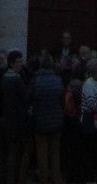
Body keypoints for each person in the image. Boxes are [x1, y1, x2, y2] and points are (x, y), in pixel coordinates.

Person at [29, 52, 65, 184]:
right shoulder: (58, 80)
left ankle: (43, 179)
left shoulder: (35, 80)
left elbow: (28, 98)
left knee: (42, 153)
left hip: (40, 121)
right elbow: (62, 100)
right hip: (56, 121)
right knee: (55, 153)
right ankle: (56, 179)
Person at [0, 51, 29, 184]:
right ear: (12, 63)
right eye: (18, 61)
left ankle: (5, 177)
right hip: (16, 121)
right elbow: (24, 98)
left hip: (6, 119)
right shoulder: (16, 79)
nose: (21, 64)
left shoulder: (4, 77)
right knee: (14, 153)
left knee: (7, 152)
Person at [81, 58, 97, 184]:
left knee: (93, 150)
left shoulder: (96, 83)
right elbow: (91, 104)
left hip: (94, 120)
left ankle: (92, 177)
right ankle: (89, 178)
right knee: (89, 151)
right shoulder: (89, 84)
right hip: (89, 120)